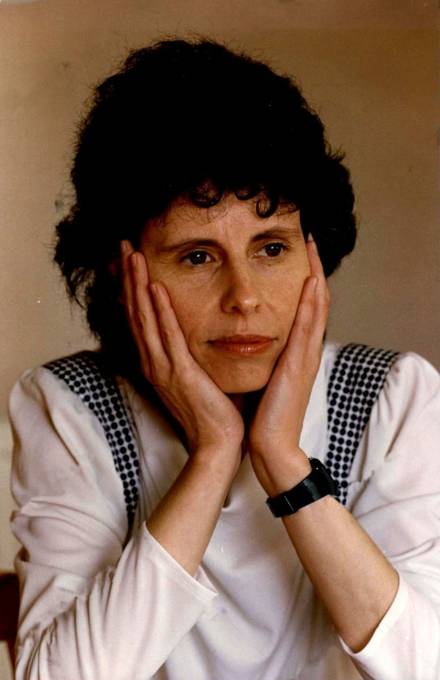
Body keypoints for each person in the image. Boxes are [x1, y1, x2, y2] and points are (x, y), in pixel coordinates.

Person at [8, 38, 440, 680]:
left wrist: (283, 461)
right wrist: (214, 454)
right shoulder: (70, 406)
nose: (244, 297)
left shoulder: (391, 396)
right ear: (122, 272)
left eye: (271, 249)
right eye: (197, 257)